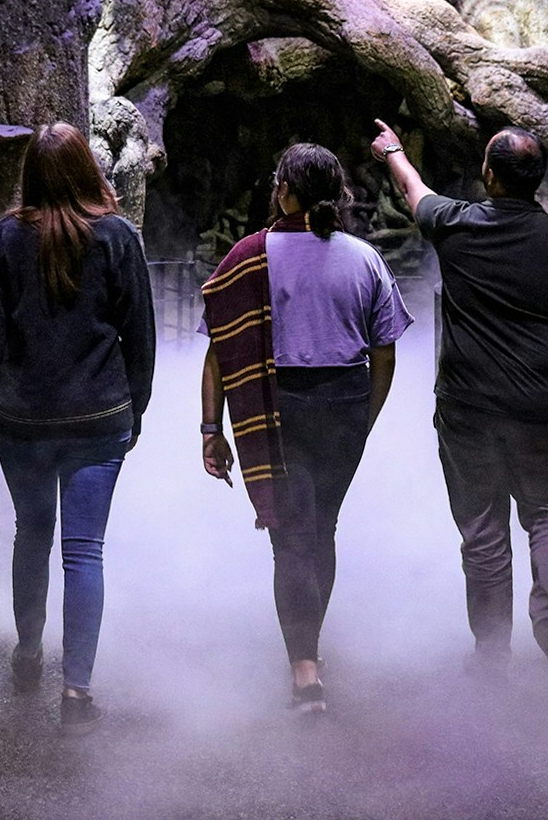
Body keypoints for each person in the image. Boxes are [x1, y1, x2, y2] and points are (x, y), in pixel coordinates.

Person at [371, 120, 548, 698]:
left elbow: (412, 189)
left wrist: (394, 151)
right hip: (543, 410)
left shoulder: (456, 223)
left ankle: (491, 656)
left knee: (483, 531)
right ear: (538, 179)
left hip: (468, 410)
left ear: (489, 174)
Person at [199, 142, 412, 714]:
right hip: (346, 404)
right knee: (322, 529)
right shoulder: (364, 259)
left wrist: (211, 427)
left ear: (285, 191)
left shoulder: (248, 256)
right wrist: (365, 417)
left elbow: (219, 352)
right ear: (338, 195)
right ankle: (309, 647)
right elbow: (385, 352)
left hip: (278, 407)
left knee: (292, 538)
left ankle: (304, 671)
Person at [0, 122, 155, 735]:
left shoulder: (6, 238)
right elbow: (139, 333)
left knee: (32, 534)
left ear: (33, 176)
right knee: (84, 551)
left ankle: (28, 652)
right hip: (99, 417)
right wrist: (136, 408)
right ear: (86, 171)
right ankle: (76, 694)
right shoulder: (117, 237)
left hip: (23, 421)